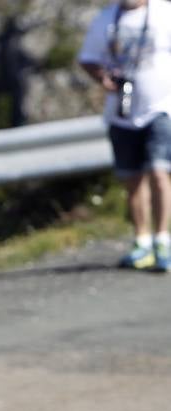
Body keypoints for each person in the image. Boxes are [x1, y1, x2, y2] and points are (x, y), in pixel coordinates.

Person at [78, 0, 171, 272]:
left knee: (159, 172)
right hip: (122, 113)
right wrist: (103, 79)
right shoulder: (105, 18)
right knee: (132, 180)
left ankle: (163, 238)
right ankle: (142, 240)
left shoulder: (164, 12)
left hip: (160, 108)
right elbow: (88, 59)